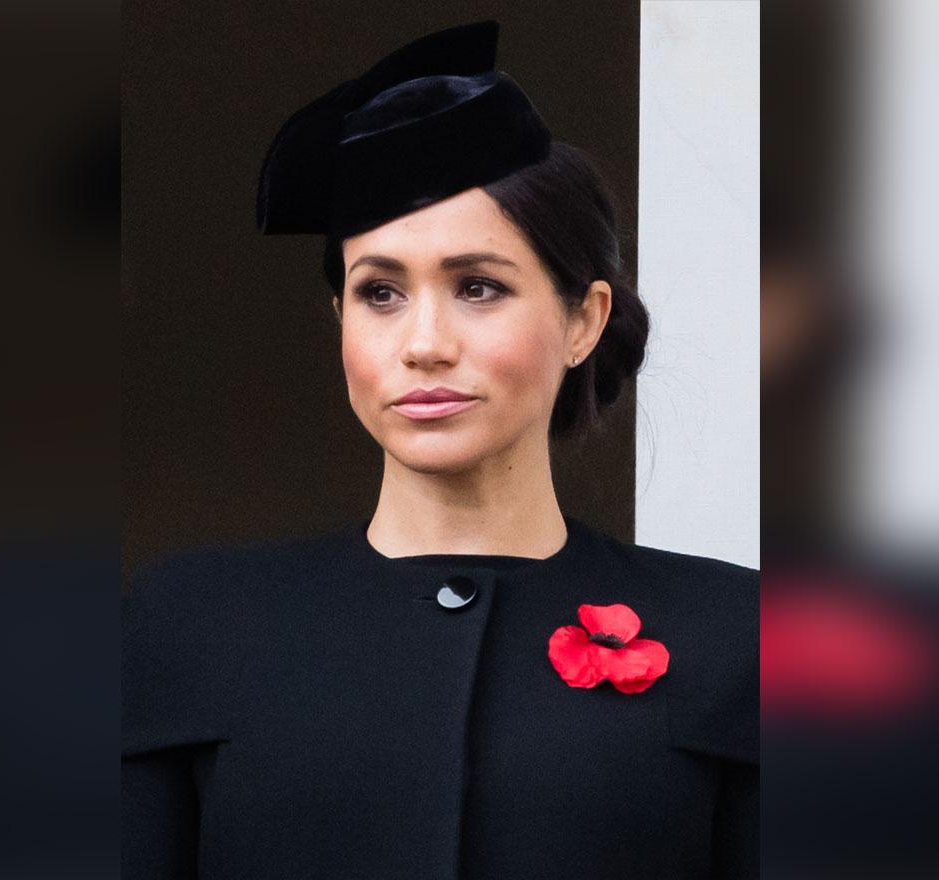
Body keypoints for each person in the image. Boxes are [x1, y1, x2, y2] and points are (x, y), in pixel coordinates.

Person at [123, 20, 758, 879]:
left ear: (584, 320)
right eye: (379, 292)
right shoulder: (186, 623)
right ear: (341, 320)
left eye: (479, 288)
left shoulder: (737, 637)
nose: (423, 342)